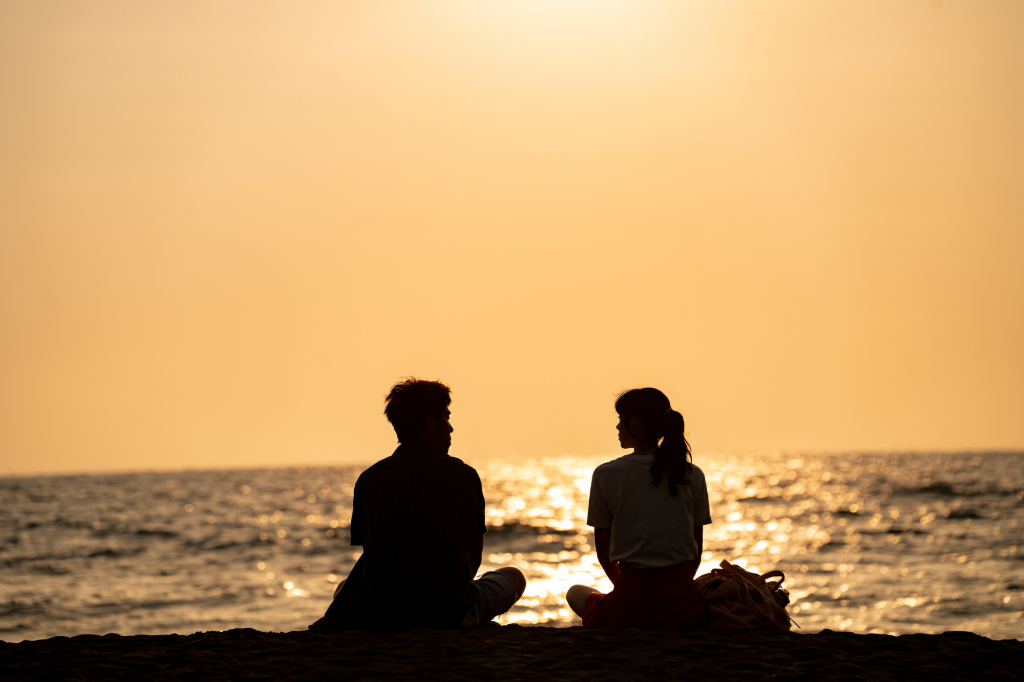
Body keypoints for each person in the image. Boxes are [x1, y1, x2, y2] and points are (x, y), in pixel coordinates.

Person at [310, 378, 526, 629]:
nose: (451, 428)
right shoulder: (462, 474)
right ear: (431, 422)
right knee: (514, 577)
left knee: (342, 590)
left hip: (381, 612)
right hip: (446, 611)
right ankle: (470, 620)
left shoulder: (368, 480)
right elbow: (472, 558)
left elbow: (374, 555)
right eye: (446, 418)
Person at [565, 387, 711, 629]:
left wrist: (628, 591)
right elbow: (695, 552)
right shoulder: (691, 474)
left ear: (634, 424)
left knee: (575, 592)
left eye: (620, 420)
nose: (617, 427)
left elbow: (604, 554)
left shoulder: (605, 474)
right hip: (682, 607)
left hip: (628, 605)